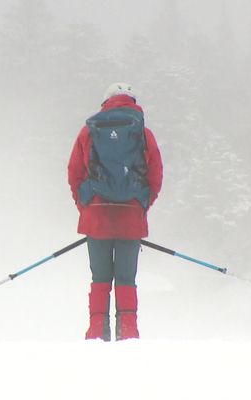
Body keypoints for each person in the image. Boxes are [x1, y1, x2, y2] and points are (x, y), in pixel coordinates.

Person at [67, 82, 163, 341]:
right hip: (130, 218)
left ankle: (97, 330)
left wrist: (86, 206)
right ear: (133, 102)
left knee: (100, 277)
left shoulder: (89, 131)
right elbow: (155, 176)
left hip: (96, 217)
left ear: (105, 102)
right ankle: (128, 332)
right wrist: (141, 205)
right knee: (126, 278)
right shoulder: (144, 133)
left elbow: (74, 173)